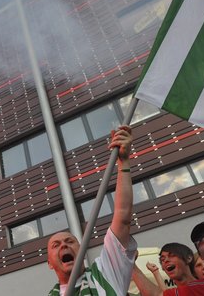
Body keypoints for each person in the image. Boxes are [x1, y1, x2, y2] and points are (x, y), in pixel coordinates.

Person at [47, 125, 137, 296]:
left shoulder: (105, 274)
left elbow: (123, 218)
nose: (64, 245)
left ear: (81, 250)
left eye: (70, 241)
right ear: (50, 263)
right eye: (55, 245)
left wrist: (123, 163)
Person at [131, 243, 196, 294]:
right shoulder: (175, 293)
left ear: (189, 258)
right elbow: (154, 294)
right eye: (162, 259)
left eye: (172, 255)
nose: (166, 260)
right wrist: (131, 263)